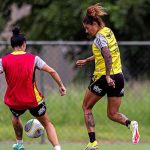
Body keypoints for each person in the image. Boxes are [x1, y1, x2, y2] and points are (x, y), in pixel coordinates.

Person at [76, 3, 140, 150]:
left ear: (94, 24)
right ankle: (131, 125)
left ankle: (92, 143)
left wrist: (107, 76)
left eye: (87, 27)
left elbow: (107, 55)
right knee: (112, 113)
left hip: (104, 77)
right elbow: (103, 53)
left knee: (86, 107)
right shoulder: (108, 31)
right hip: (118, 76)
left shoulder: (99, 37)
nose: (87, 31)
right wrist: (87, 60)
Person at [0, 27, 66, 150]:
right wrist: (61, 85)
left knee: (15, 118)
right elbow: (51, 71)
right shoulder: (33, 58)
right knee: (47, 123)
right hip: (33, 99)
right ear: (24, 44)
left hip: (15, 101)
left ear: (12, 45)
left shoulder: (4, 60)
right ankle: (57, 148)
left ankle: (19, 144)